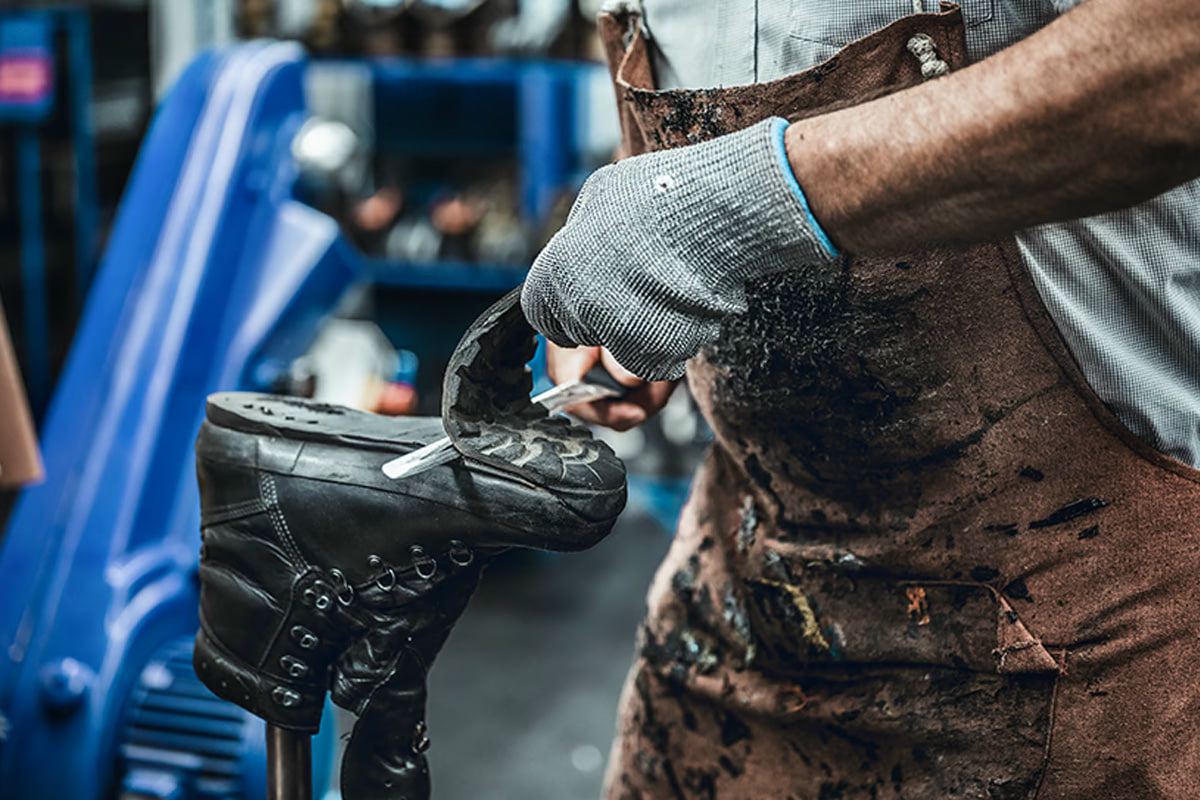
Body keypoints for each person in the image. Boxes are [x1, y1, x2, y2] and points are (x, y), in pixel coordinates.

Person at [521, 0, 1200, 797]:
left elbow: (1180, 53)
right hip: (745, 591)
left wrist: (726, 212)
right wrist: (640, 255)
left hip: (1075, 624)